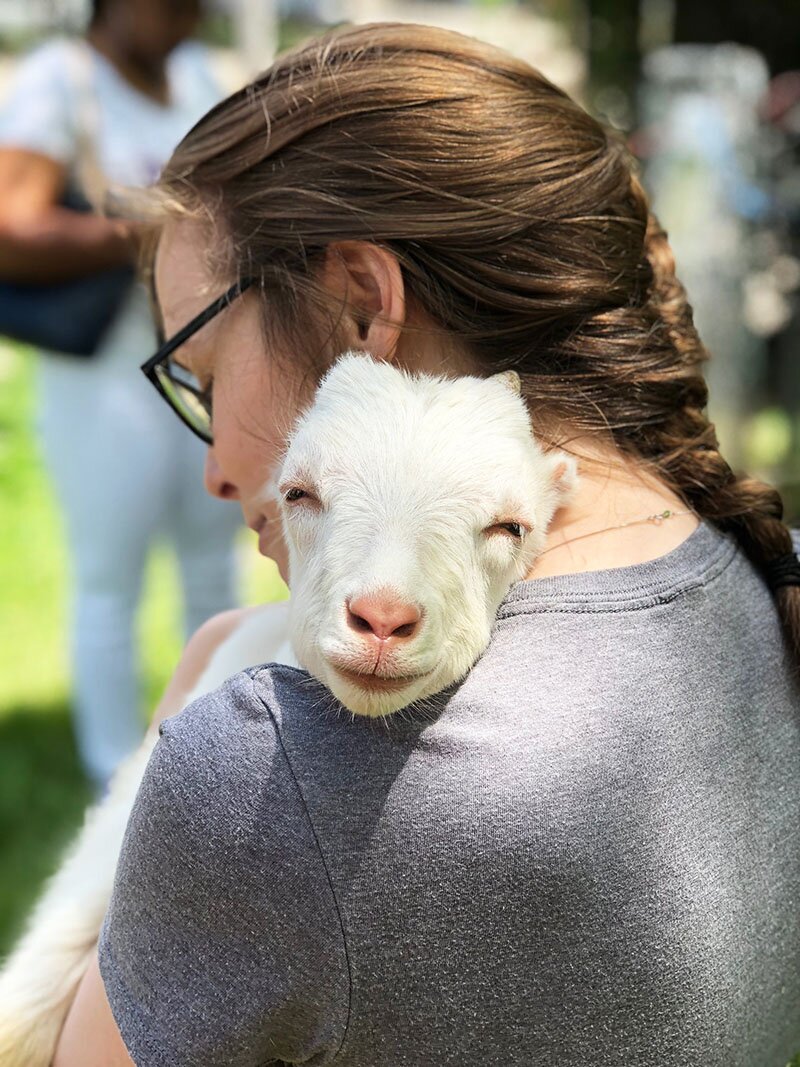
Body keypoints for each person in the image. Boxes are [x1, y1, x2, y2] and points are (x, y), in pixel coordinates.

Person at [54, 23, 800, 1066]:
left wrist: (203, 693)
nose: (219, 467)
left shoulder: (273, 764)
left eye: (205, 373)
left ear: (363, 302)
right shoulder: (763, 585)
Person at [0, 0, 241, 787]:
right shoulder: (58, 81)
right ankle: (114, 779)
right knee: (110, 577)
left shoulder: (201, 76)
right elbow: (9, 225)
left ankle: (209, 750)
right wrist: (145, 229)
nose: (185, 15)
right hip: (101, 369)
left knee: (215, 563)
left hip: (200, 361)